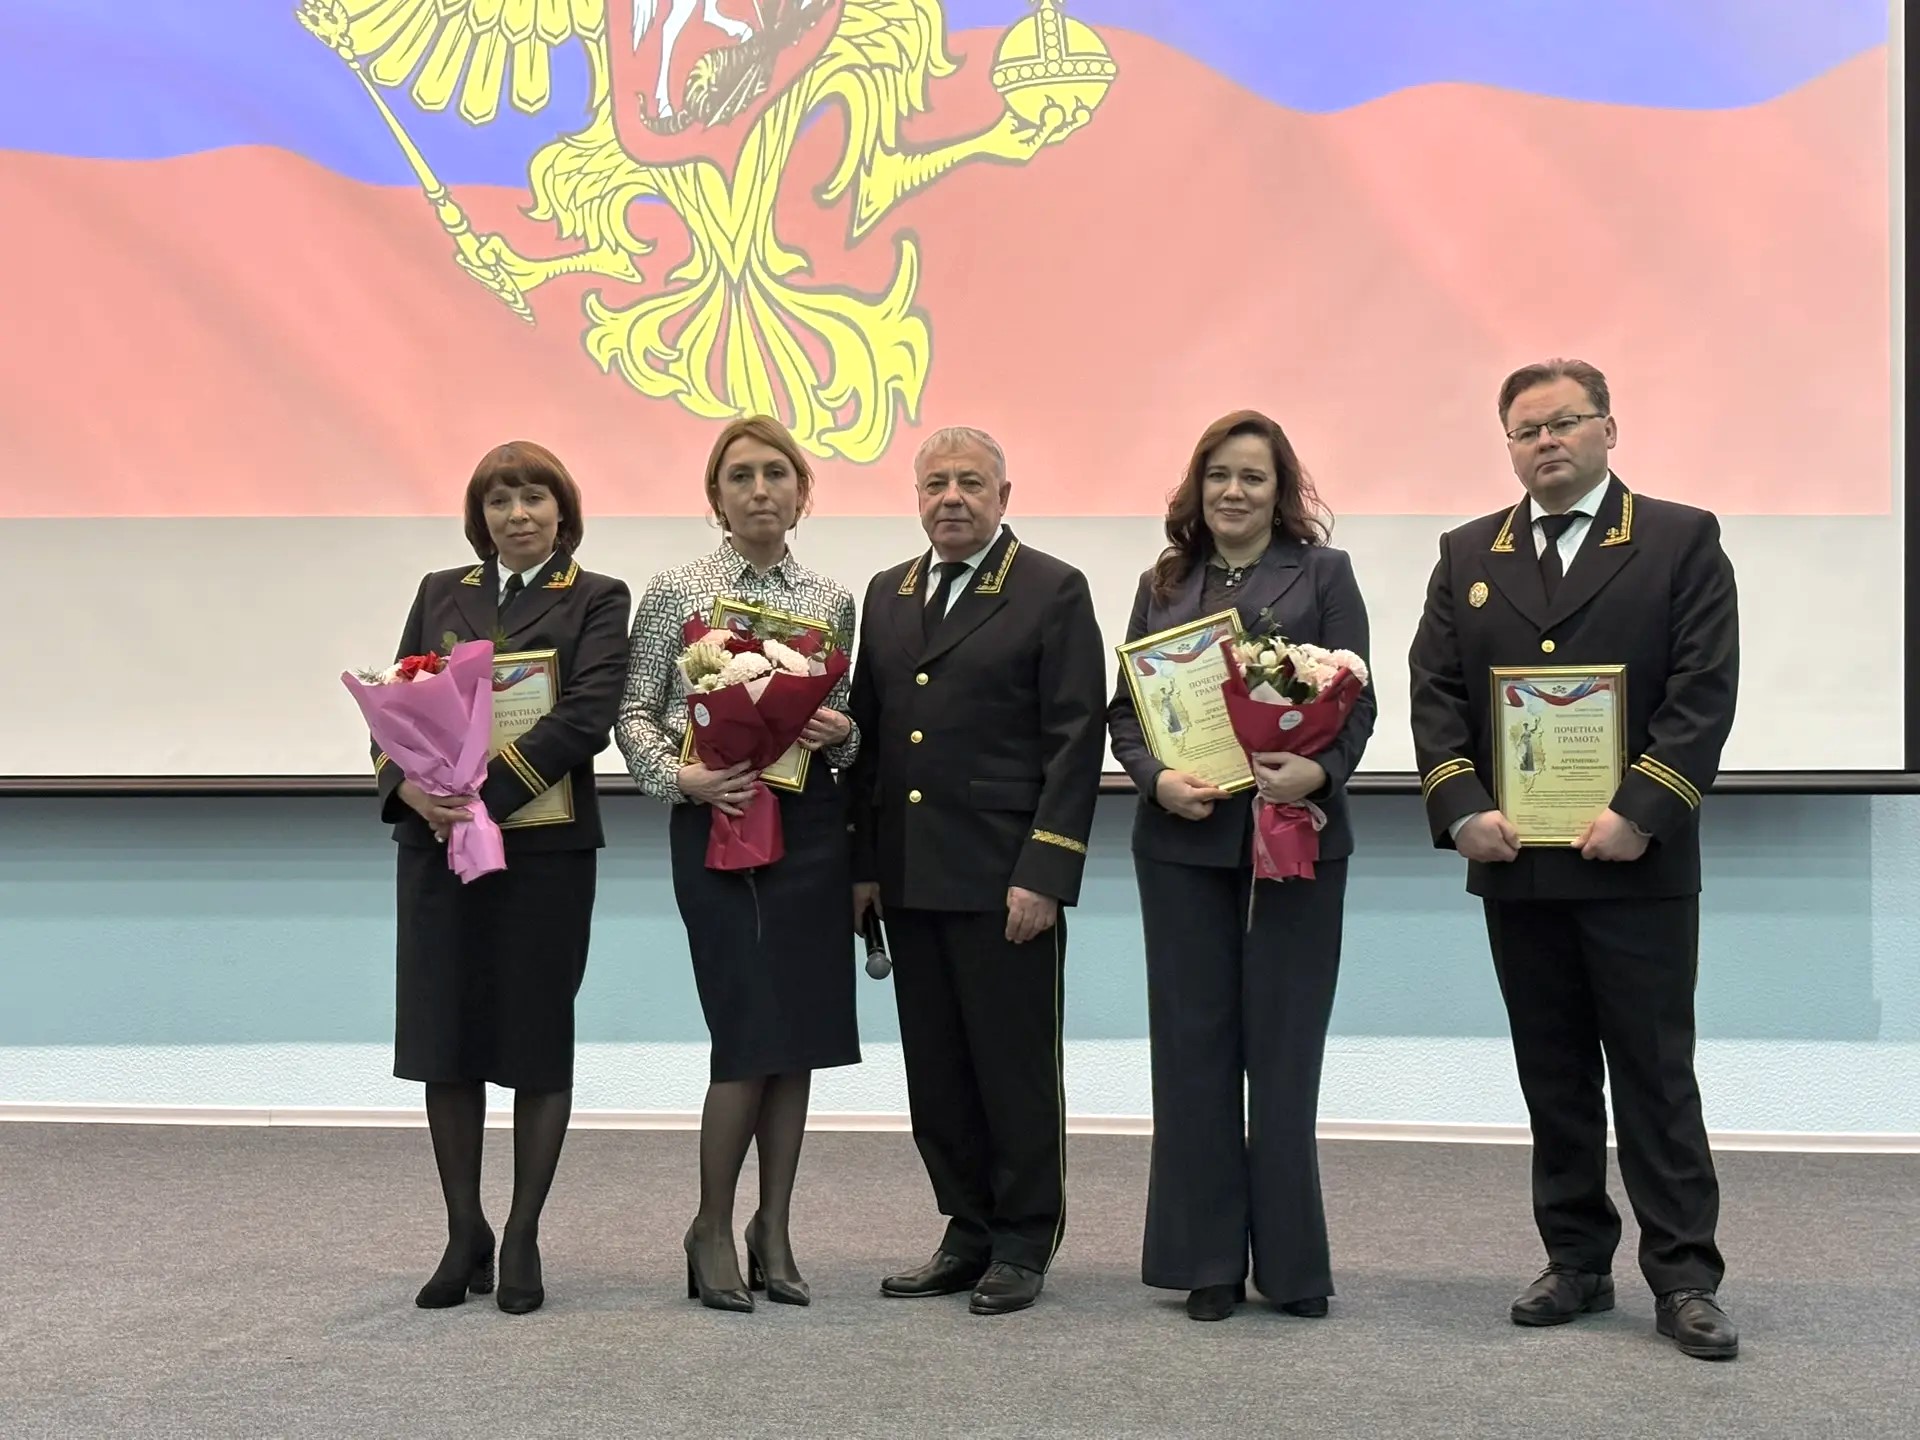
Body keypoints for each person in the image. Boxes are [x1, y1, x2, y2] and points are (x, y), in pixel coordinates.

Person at [1407, 359, 1741, 1360]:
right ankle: (1577, 1260)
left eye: (1566, 422)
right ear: (1509, 446)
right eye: (1527, 430)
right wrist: (1460, 806)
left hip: (1635, 863)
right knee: (1552, 1075)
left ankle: (1684, 1276)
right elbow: (1434, 694)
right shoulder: (1468, 551)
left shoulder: (1679, 539)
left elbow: (1703, 692)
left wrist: (1642, 811)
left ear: (1608, 429)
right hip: (1519, 864)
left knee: (1653, 1075)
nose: (1547, 441)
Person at [1108, 410, 1376, 1323]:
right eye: (1219, 474)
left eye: (1253, 477)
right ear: (1198, 485)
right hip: (1181, 846)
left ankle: (1294, 1267)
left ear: (1280, 490)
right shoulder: (1160, 582)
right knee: (1194, 1054)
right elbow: (1126, 713)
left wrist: (1318, 773)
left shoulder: (1326, 574)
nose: (1233, 491)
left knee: (1285, 1055)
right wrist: (1156, 780)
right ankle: (1208, 1261)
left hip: (1297, 840)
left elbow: (1357, 700)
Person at [847, 425, 1107, 1317]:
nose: (950, 498)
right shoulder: (888, 592)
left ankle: (1024, 1240)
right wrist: (863, 866)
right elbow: (874, 737)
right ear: (916, 497)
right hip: (910, 872)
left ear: (1003, 496)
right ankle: (965, 1230)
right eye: (935, 484)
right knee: (939, 1072)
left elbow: (1074, 738)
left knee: (1013, 1067)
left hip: (1004, 877)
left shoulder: (1050, 588)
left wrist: (1047, 870)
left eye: (969, 483)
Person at [375, 440, 631, 1315]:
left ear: (563, 511)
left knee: (535, 1038)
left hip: (543, 855)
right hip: (438, 847)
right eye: (499, 500)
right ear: (479, 516)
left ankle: (522, 1233)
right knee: (443, 1039)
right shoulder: (438, 591)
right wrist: (410, 787)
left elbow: (589, 716)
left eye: (533, 498)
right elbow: (392, 704)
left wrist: (484, 792)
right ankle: (464, 1232)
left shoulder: (598, 597)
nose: (517, 514)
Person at [616, 415, 861, 1313]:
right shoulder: (677, 590)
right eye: (741, 476)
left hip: (808, 832)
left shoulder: (832, 600)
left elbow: (844, 722)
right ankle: (710, 1226)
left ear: (802, 492)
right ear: (715, 497)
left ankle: (774, 1227)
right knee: (747, 1033)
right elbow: (633, 711)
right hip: (715, 825)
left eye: (776, 475)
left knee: (799, 1037)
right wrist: (679, 778)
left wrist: (842, 730)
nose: (760, 490)